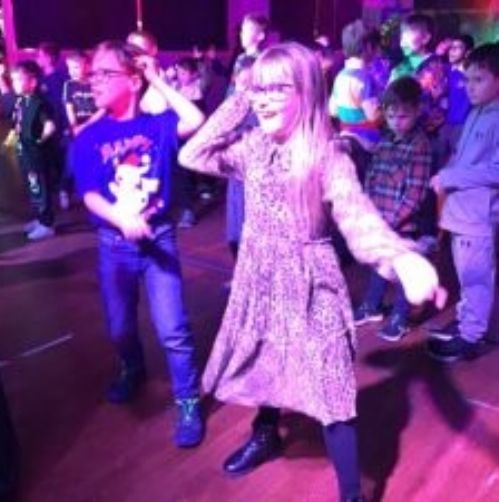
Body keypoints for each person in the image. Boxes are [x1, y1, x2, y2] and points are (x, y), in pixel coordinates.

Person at [179, 42, 444, 501]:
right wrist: (241, 95)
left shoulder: (328, 155)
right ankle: (266, 434)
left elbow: (357, 216)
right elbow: (193, 155)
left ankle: (351, 493)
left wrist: (400, 258)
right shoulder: (252, 147)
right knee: (265, 358)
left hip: (310, 282)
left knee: (331, 388)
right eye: (259, 89)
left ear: (306, 92)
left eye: (277, 89)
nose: (264, 99)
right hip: (259, 277)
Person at [71, 41, 205, 447]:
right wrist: (121, 218)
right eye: (92, 74)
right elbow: (90, 194)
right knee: (119, 328)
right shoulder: (89, 136)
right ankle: (133, 367)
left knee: (173, 329)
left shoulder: (157, 126)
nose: (94, 81)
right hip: (113, 246)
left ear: (132, 80)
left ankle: (188, 400)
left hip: (159, 240)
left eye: (105, 74)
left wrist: (155, 79)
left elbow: (195, 118)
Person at [427, 43, 499, 362]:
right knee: (465, 273)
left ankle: (471, 336)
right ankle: (466, 320)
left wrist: (451, 177)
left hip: (477, 215)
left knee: (476, 277)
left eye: (479, 79)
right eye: (468, 80)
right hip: (461, 211)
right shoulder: (477, 112)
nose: (470, 87)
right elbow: (464, 158)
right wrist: (447, 174)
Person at [354, 77, 432, 341]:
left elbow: (415, 195)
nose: (396, 122)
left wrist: (392, 221)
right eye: (390, 116)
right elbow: (372, 175)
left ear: (417, 111)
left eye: (403, 116)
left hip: (402, 224)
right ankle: (372, 306)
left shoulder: (419, 145)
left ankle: (400, 317)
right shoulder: (385, 140)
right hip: (378, 217)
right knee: (380, 263)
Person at [9, 60, 57, 240]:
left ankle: (47, 224)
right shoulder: (21, 101)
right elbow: (18, 124)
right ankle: (40, 218)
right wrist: (11, 142)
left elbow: (50, 126)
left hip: (37, 156)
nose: (14, 83)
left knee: (42, 188)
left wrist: (39, 140)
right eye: (13, 79)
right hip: (26, 155)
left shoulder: (39, 103)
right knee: (34, 188)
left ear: (33, 82)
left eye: (19, 79)